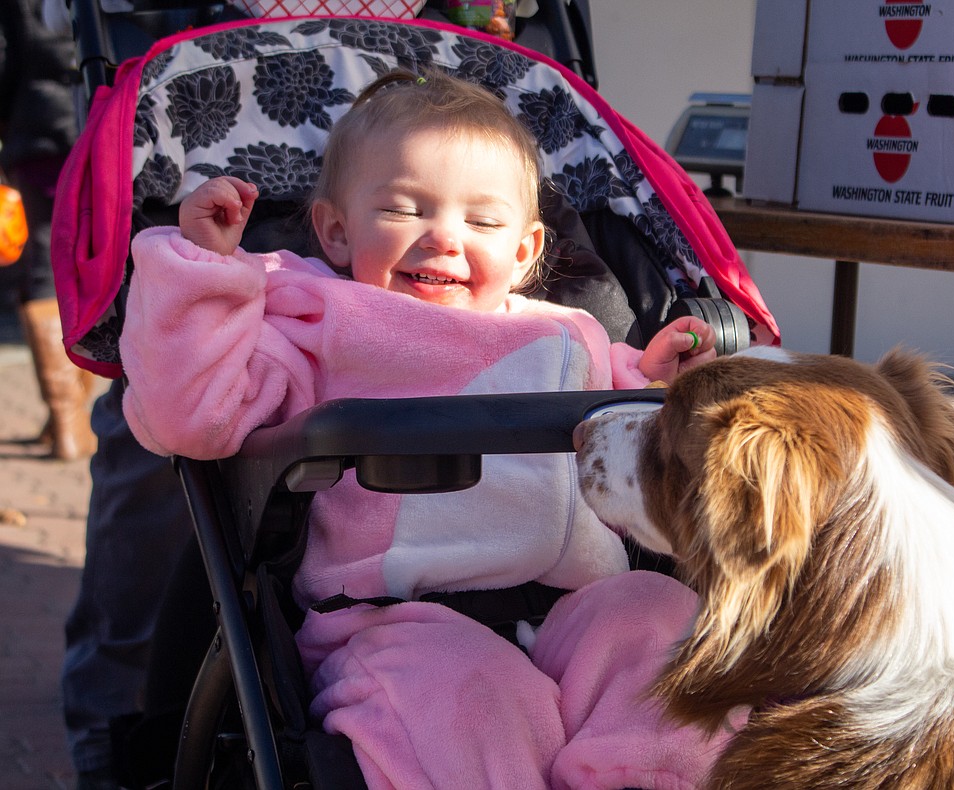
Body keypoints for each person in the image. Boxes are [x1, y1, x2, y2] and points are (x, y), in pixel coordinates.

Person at [120, 68, 740, 788]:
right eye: (405, 210)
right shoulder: (315, 317)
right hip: (395, 624)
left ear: (524, 251)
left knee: (663, 615)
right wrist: (200, 275)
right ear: (336, 231)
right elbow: (191, 418)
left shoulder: (571, 334)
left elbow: (622, 457)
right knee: (468, 697)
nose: (443, 239)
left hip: (576, 604)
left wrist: (650, 386)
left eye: (480, 221)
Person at [0, 0, 96, 460]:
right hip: (96, 124)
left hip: (37, 131)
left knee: (43, 267)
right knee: (93, 262)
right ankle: (68, 415)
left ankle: (66, 423)